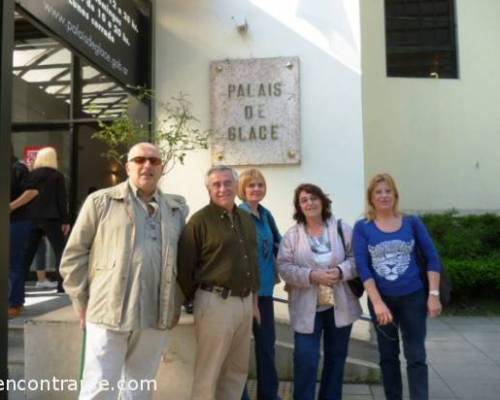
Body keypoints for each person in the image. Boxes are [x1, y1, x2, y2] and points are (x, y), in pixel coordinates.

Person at [60, 142, 188, 399]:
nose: (147, 165)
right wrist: (80, 301)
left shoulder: (176, 210)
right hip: (108, 311)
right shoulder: (100, 202)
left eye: (153, 161)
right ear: (128, 166)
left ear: (161, 168)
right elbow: (74, 255)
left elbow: (181, 264)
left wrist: (175, 303)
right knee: (99, 387)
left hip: (154, 313)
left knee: (139, 388)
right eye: (140, 160)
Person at [352, 173, 442, 400]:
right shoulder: (363, 227)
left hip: (413, 298)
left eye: (388, 191)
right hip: (382, 302)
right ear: (371, 197)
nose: (384, 196)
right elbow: (363, 267)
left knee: (416, 356)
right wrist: (378, 302)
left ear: (395, 195)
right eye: (378, 192)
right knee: (388, 357)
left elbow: (432, 258)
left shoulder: (412, 222)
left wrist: (433, 294)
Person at [177, 165, 260, 400]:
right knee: (208, 373)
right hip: (215, 302)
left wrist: (252, 302)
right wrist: (201, 299)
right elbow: (184, 268)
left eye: (227, 183)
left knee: (236, 371)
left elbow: (251, 261)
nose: (222, 188)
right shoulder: (199, 221)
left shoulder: (245, 218)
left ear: (236, 186)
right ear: (208, 189)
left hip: (244, 303)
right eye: (216, 184)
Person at [277, 183, 362, 400]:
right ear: (299, 206)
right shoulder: (292, 236)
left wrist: (340, 271)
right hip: (307, 308)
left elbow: (358, 260)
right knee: (306, 360)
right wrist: (312, 276)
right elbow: (284, 267)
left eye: (313, 198)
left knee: (336, 359)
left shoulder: (343, 228)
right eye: (304, 200)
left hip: (339, 306)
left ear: (323, 201)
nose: (309, 203)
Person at [238, 168, 281, 400]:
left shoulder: (265, 214)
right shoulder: (239, 214)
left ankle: (269, 395)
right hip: (244, 295)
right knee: (240, 350)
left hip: (265, 293)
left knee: (267, 348)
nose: (256, 189)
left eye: (260, 185)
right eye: (251, 185)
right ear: (242, 190)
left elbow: (280, 245)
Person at [21, 147, 69, 294]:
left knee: (27, 253)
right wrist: (65, 220)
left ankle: (18, 286)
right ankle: (62, 286)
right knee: (60, 251)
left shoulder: (31, 175)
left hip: (32, 217)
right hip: (51, 217)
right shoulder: (57, 176)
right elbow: (62, 200)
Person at [8, 145, 39, 318]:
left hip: (16, 222)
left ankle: (15, 303)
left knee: (14, 262)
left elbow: (32, 191)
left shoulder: (17, 168)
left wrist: (10, 207)